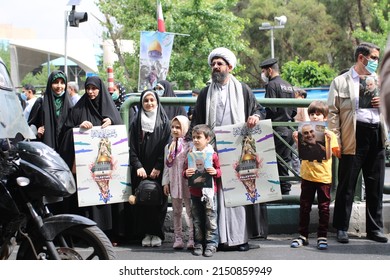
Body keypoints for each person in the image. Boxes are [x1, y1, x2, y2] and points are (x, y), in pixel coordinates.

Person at [189, 47, 268, 251]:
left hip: (238, 149)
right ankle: (218, 240)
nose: (215, 67)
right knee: (214, 196)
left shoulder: (242, 89)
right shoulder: (205, 92)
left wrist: (255, 117)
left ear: (230, 67)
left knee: (238, 194)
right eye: (213, 64)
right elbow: (197, 120)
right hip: (212, 151)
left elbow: (258, 109)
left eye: (219, 63)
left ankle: (239, 239)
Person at [327, 42, 388, 244]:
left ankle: (375, 229)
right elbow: (333, 113)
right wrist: (335, 139)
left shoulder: (380, 81)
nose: (376, 62)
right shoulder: (341, 81)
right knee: (347, 183)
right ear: (361, 58)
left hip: (376, 134)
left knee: (375, 184)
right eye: (373, 58)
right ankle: (342, 228)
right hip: (353, 134)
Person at [60, 76, 123, 239]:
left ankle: (108, 234)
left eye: (94, 88)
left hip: (105, 167)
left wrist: (112, 122)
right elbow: (66, 133)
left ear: (100, 89)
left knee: (105, 194)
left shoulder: (110, 110)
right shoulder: (78, 109)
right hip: (85, 169)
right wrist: (78, 128)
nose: (90, 92)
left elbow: (120, 134)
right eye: (88, 88)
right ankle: (85, 235)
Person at [290, 100, 340, 250]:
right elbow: (301, 154)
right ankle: (302, 235)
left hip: (323, 175)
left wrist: (330, 140)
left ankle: (322, 236)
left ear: (325, 117)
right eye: (312, 114)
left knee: (324, 207)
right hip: (307, 174)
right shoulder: (303, 132)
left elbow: (333, 155)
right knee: (304, 205)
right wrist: (296, 140)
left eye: (318, 114)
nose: (315, 117)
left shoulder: (329, 133)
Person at [129, 89, 171, 247]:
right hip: (140, 169)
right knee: (142, 200)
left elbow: (166, 145)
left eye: (152, 100)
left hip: (157, 170)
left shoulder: (164, 122)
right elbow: (131, 146)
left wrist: (159, 165)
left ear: (157, 102)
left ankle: (157, 233)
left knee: (158, 201)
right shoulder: (135, 122)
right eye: (146, 101)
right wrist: (137, 165)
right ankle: (145, 233)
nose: (149, 103)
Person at [260, 58, 297, 195]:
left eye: (263, 71)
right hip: (289, 128)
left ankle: (273, 193)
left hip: (276, 129)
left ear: (270, 70)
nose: (263, 74)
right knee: (284, 161)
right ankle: (285, 191)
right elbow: (294, 111)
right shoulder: (288, 85)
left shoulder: (271, 85)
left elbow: (271, 109)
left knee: (272, 161)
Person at [183, 124, 221, 257]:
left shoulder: (213, 155)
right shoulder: (191, 155)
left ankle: (211, 243)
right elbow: (185, 171)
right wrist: (186, 173)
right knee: (197, 219)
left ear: (208, 139)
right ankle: (198, 243)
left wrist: (215, 171)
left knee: (211, 217)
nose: (195, 140)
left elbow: (220, 171)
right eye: (193, 137)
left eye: (199, 137)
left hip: (210, 193)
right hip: (195, 192)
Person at [162, 115, 194, 250]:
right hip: (175, 182)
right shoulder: (169, 146)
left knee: (190, 211)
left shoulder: (190, 145)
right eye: (173, 127)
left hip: (187, 183)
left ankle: (192, 238)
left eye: (178, 127)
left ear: (185, 128)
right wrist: (165, 182)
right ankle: (178, 238)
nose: (175, 130)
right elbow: (166, 166)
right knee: (176, 211)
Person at [28, 70, 73, 153]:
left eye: (62, 83)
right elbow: (31, 124)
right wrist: (36, 131)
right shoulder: (41, 103)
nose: (59, 86)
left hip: (65, 148)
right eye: (56, 82)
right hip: (46, 148)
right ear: (50, 84)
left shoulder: (69, 104)